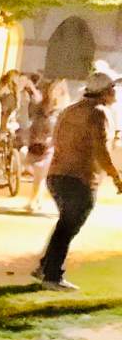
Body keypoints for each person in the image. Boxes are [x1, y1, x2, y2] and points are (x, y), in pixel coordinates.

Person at [35, 72, 122, 291]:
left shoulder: (71, 109)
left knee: (65, 225)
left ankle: (45, 267)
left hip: (57, 175)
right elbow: (101, 151)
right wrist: (116, 176)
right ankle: (52, 276)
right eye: (112, 88)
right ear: (103, 91)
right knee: (68, 227)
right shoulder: (98, 114)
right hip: (79, 178)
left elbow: (58, 139)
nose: (115, 92)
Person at [23, 78, 69, 213]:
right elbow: (33, 123)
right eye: (52, 89)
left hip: (51, 145)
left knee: (40, 174)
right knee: (38, 174)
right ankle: (37, 200)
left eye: (57, 90)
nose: (53, 92)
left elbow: (62, 129)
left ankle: (34, 201)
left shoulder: (63, 110)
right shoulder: (41, 106)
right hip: (37, 143)